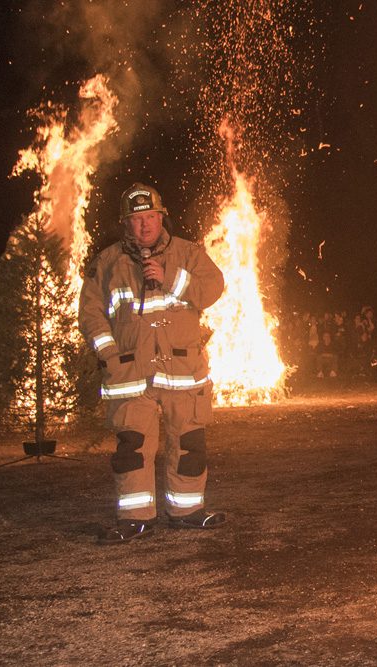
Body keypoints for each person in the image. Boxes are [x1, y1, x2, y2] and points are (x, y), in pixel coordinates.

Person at [79, 182, 226, 544]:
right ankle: (135, 518)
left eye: (150, 217)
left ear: (162, 217)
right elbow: (90, 314)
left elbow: (213, 287)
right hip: (131, 375)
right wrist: (110, 355)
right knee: (132, 448)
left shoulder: (188, 254)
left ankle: (187, 511)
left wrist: (170, 278)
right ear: (125, 223)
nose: (144, 225)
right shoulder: (107, 263)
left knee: (189, 444)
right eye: (136, 219)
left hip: (183, 374)